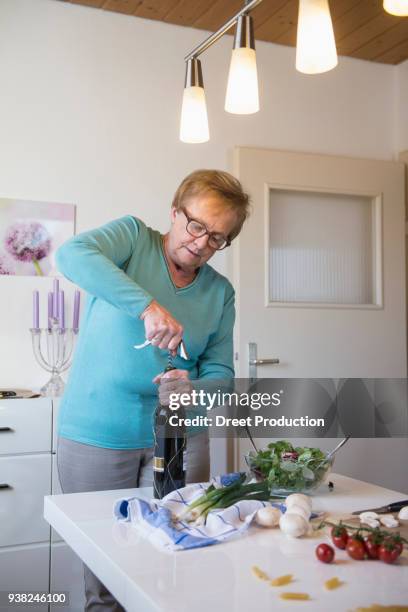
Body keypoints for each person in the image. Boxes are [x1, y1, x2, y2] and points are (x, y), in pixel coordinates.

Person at [55, 169, 250, 611]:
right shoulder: (131, 240)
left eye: (218, 237)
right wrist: (147, 305)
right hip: (97, 433)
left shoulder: (220, 292)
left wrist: (192, 386)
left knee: (174, 558)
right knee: (105, 573)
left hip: (180, 435)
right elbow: (71, 255)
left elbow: (222, 378)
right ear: (174, 212)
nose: (201, 243)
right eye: (195, 225)